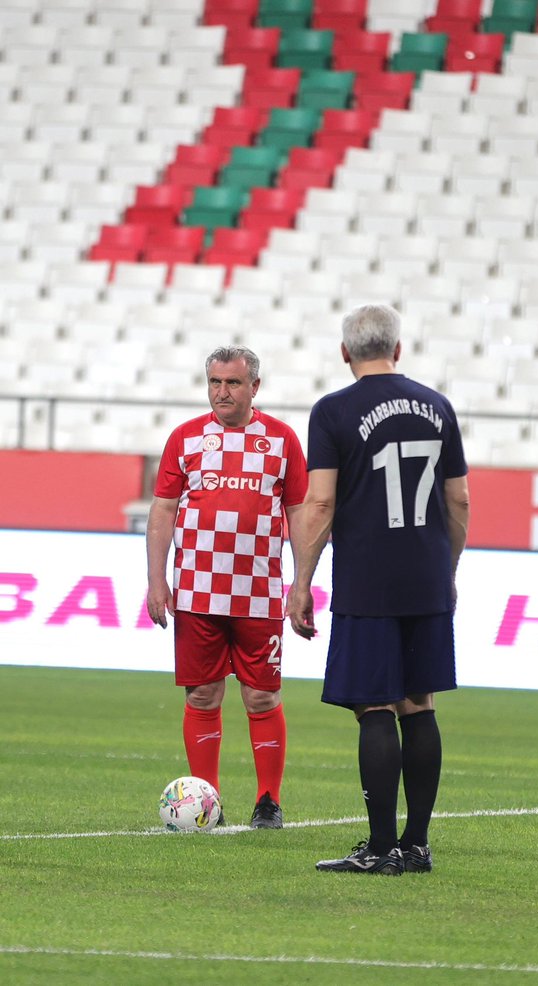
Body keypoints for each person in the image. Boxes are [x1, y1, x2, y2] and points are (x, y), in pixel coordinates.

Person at [287, 303, 469, 877]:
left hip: (368, 575)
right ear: (399, 347)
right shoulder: (438, 407)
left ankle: (381, 845)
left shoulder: (334, 411)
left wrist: (301, 582)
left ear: (345, 352)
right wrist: (450, 569)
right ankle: (416, 846)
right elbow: (458, 500)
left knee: (374, 707)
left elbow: (320, 502)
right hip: (426, 573)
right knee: (420, 704)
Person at [145, 345, 307, 829]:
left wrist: (302, 581)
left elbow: (299, 511)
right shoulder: (186, 438)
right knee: (202, 696)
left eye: (233, 383)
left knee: (261, 697)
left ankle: (268, 801)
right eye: (215, 382)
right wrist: (158, 580)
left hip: (259, 593)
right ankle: (206, 802)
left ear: (254, 386)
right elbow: (163, 511)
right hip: (196, 591)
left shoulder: (280, 440)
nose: (222, 392)